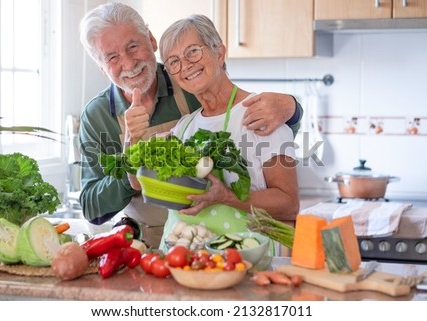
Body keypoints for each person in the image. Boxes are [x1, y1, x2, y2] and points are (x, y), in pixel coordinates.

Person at [78, 3, 302, 248]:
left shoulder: (202, 88)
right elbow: (101, 202)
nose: (129, 63)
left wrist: (291, 108)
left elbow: (269, 143)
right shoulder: (100, 116)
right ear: (102, 67)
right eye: (112, 57)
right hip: (155, 245)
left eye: (133, 46)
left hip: (237, 250)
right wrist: (133, 142)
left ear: (151, 40)